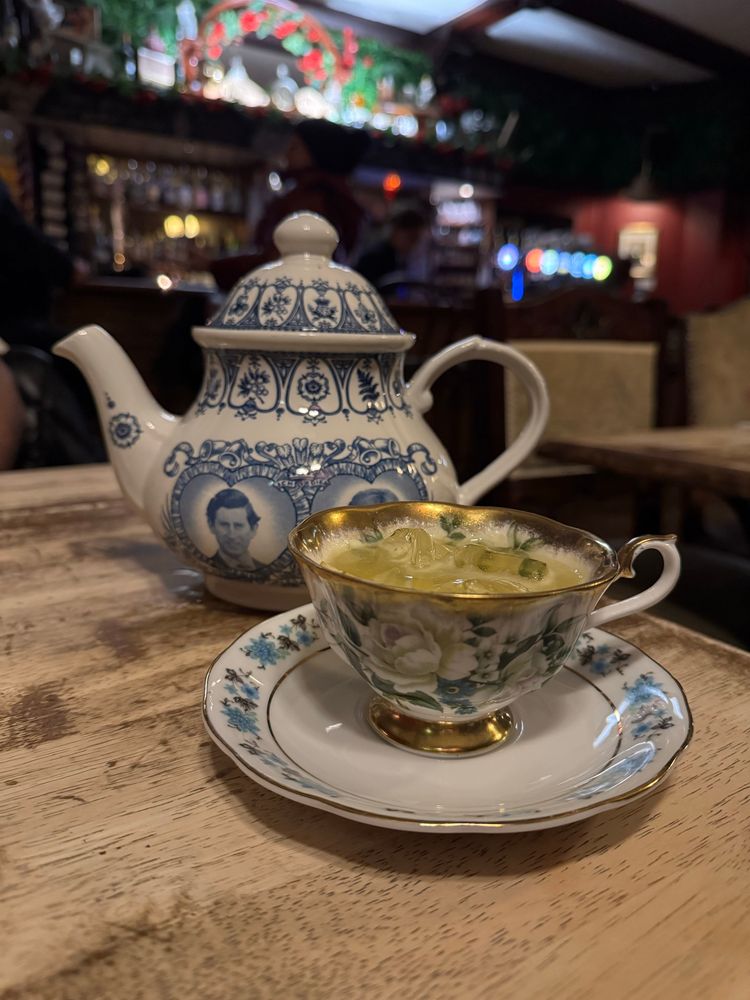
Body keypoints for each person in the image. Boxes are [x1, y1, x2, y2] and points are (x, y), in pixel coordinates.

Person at [209, 119, 370, 291]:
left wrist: (213, 265)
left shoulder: (309, 201)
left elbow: (279, 263)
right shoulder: (331, 196)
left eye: (294, 147)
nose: (286, 153)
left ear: (316, 153)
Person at [355, 209, 428, 289]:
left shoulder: (399, 259)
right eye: (411, 238)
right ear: (397, 231)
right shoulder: (376, 258)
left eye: (417, 240)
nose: (413, 244)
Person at [206, 488, 262, 571]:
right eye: (224, 525)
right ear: (211, 526)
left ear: (253, 529)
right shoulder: (204, 566)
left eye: (238, 526)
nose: (231, 535)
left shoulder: (266, 569)